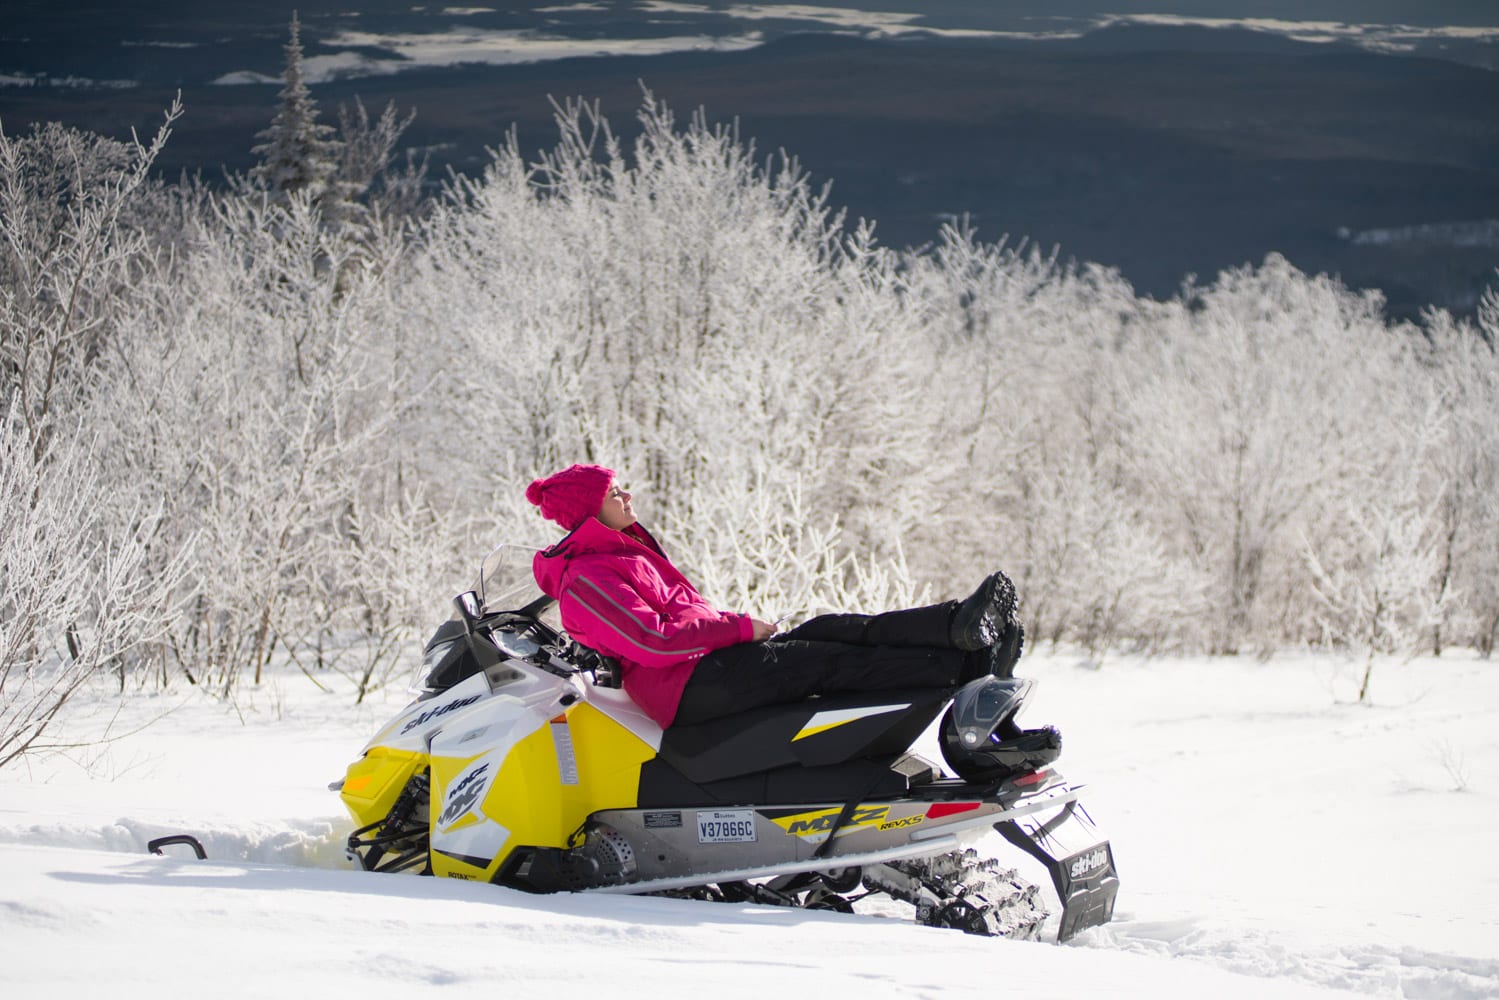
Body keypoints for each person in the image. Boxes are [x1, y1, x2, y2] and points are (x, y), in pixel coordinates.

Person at [526, 463, 1024, 729]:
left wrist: (739, 629)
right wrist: (741, 627)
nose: (627, 497)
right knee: (824, 662)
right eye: (615, 494)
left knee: (831, 628)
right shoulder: (587, 578)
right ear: (589, 512)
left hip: (703, 669)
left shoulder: (621, 556)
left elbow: (682, 617)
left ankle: (960, 628)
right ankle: (966, 669)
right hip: (685, 689)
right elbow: (654, 642)